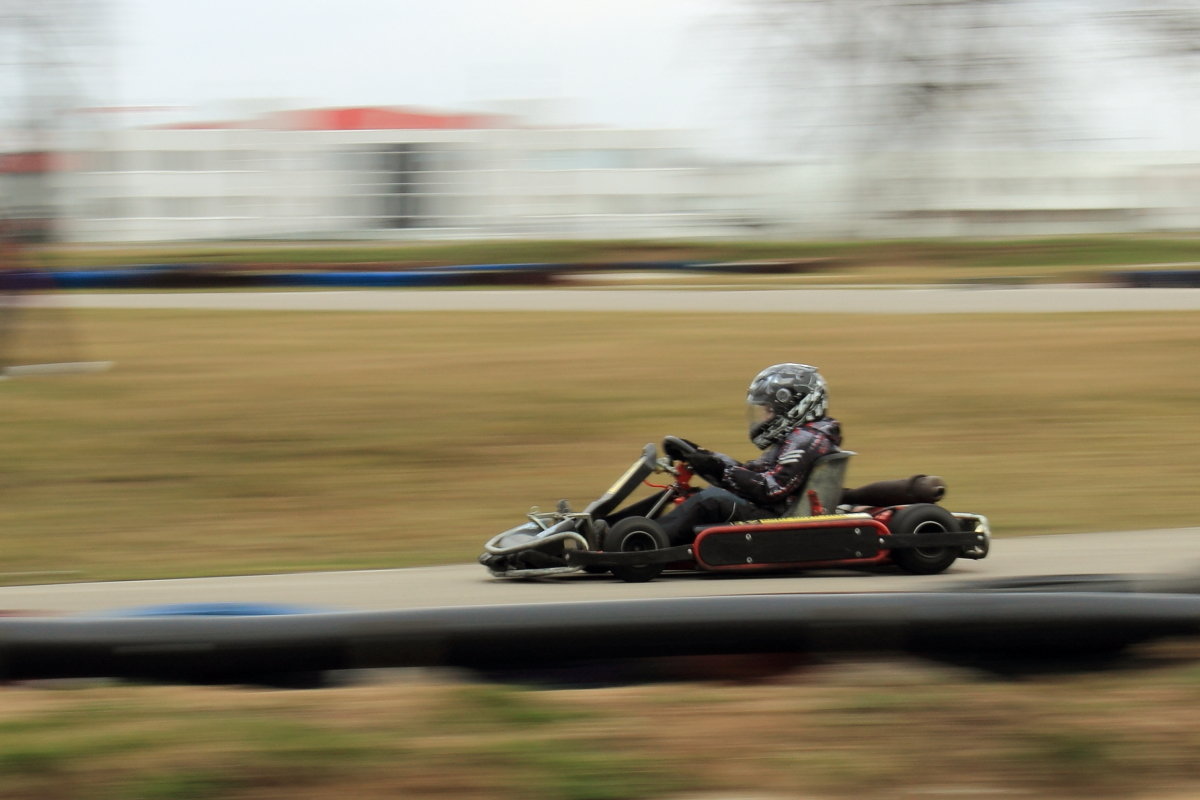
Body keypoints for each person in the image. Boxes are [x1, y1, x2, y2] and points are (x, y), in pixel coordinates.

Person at [655, 363, 842, 546]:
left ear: (796, 407)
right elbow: (752, 471)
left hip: (780, 522)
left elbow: (771, 489)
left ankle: (646, 541)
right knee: (703, 496)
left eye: (769, 410)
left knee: (711, 501)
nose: (765, 417)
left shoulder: (805, 440)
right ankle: (641, 532)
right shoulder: (804, 436)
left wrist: (722, 471)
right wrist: (704, 456)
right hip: (776, 512)